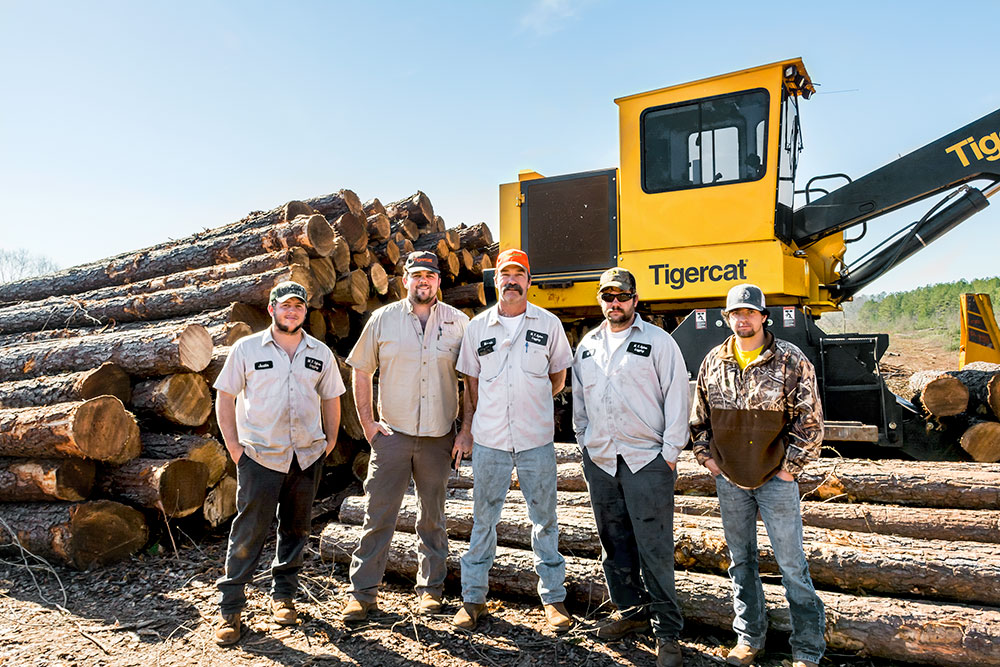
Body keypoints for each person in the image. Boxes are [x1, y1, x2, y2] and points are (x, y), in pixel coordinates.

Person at [690, 283, 825, 667]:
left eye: (750, 312)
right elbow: (699, 419)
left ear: (764, 316)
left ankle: (807, 649)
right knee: (741, 561)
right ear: (727, 318)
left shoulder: (790, 358)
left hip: (775, 481)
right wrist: (708, 460)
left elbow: (810, 420)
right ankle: (749, 640)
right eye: (736, 313)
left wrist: (789, 471)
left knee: (791, 564)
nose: (743, 319)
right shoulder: (714, 360)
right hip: (730, 480)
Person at [340, 251, 472, 622]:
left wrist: (465, 430)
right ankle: (362, 594)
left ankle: (431, 591)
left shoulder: (459, 323)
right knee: (378, 515)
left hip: (438, 439)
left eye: (430, 276)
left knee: (433, 518)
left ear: (438, 283)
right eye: (416, 275)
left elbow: (470, 381)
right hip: (393, 437)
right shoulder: (382, 320)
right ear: (405, 281)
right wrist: (368, 424)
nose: (423, 282)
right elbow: (361, 370)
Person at [213, 280, 345, 646]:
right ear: (271, 309)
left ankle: (283, 597)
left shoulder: (319, 352)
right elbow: (225, 397)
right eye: (285, 306)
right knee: (248, 533)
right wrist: (235, 448)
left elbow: (332, 397)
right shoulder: (246, 349)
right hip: (260, 456)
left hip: (305, 456)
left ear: (305, 312)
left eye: (298, 306)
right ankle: (230, 610)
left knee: (296, 529)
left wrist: (329, 441)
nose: (292, 311)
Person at [452, 248, 574, 633]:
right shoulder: (478, 328)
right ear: (496, 280)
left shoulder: (549, 324)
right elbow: (470, 383)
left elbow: (558, 378)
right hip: (489, 440)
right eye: (505, 274)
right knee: (483, 520)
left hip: (535, 439)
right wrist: (469, 428)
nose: (511, 281)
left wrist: (530, 403)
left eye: (519, 274)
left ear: (528, 281)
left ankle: (553, 601)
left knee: (544, 520)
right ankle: (473, 599)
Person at [572, 268, 689, 667]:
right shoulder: (587, 346)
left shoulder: (658, 342)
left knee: (654, 548)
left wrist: (670, 452)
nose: (614, 303)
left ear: (635, 300)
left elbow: (677, 397)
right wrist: (584, 440)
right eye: (607, 297)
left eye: (621, 296)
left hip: (646, 459)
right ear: (600, 301)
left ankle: (668, 633)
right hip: (602, 459)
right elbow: (580, 401)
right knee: (614, 543)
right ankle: (631, 613)